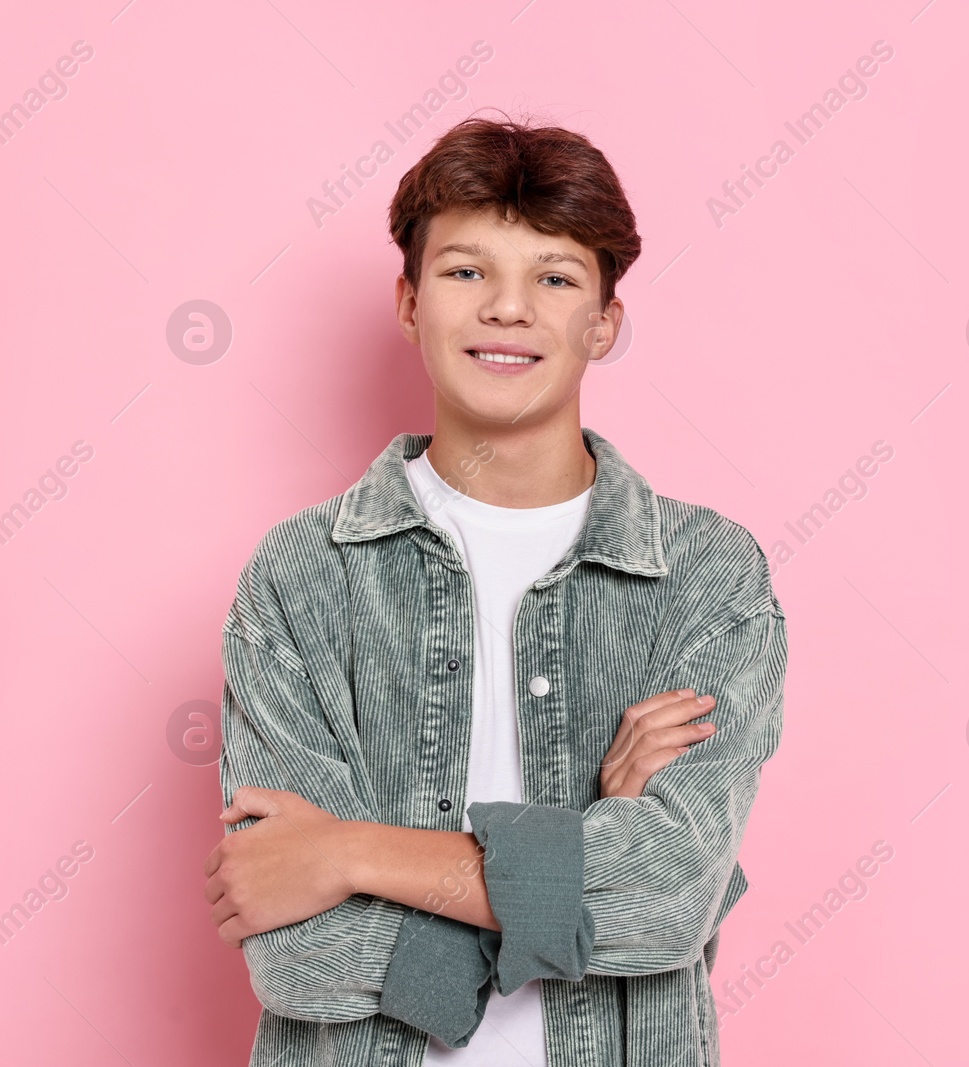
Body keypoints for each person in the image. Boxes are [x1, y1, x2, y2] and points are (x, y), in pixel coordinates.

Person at [201, 115, 788, 1067]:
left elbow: (668, 899)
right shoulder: (302, 574)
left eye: (553, 278)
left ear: (603, 322)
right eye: (467, 271)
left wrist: (348, 855)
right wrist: (597, 851)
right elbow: (298, 952)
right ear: (408, 301)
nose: (507, 309)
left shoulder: (704, 574)